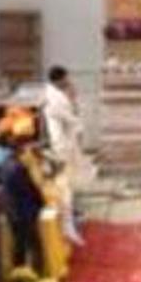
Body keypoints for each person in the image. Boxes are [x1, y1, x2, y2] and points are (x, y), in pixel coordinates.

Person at [41, 66, 90, 249]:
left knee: (68, 188)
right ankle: (67, 228)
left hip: (65, 147)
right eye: (66, 78)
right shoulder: (56, 99)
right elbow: (72, 120)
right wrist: (72, 99)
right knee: (64, 190)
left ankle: (70, 223)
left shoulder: (57, 96)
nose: (69, 81)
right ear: (60, 79)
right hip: (61, 149)